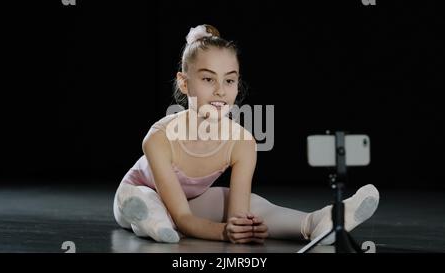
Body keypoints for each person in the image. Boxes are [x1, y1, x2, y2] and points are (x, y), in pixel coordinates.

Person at [113, 24, 380, 244]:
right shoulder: (160, 137)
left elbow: (236, 216)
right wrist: (221, 232)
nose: (220, 90)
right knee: (147, 201)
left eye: (229, 80)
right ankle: (151, 222)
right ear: (184, 82)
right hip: (137, 194)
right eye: (208, 79)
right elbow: (182, 216)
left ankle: (318, 222)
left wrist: (242, 229)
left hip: (190, 204)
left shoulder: (242, 142)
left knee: (253, 204)